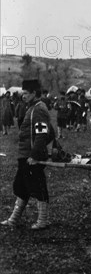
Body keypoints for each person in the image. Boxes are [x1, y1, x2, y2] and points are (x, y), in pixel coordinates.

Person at [1, 79, 52, 230]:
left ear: (34, 94)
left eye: (26, 93)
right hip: (25, 155)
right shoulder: (31, 108)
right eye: (23, 93)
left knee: (37, 186)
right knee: (21, 186)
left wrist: (35, 156)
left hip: (32, 157)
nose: (23, 96)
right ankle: (13, 219)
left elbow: (42, 135)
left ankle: (43, 221)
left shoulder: (39, 109)